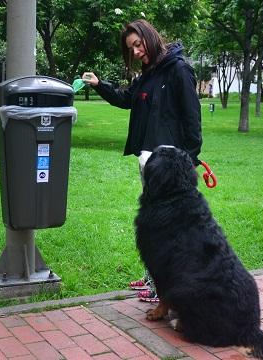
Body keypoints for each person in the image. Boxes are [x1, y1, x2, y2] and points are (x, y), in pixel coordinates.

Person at [82, 19, 202, 302]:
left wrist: (190, 160)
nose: (135, 52)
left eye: (138, 44)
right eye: (131, 48)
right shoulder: (148, 75)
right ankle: (153, 279)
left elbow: (192, 120)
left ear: (150, 37)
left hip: (172, 167)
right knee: (154, 224)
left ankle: (167, 289)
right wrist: (100, 84)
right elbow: (127, 99)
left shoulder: (178, 70)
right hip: (148, 161)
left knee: (169, 228)